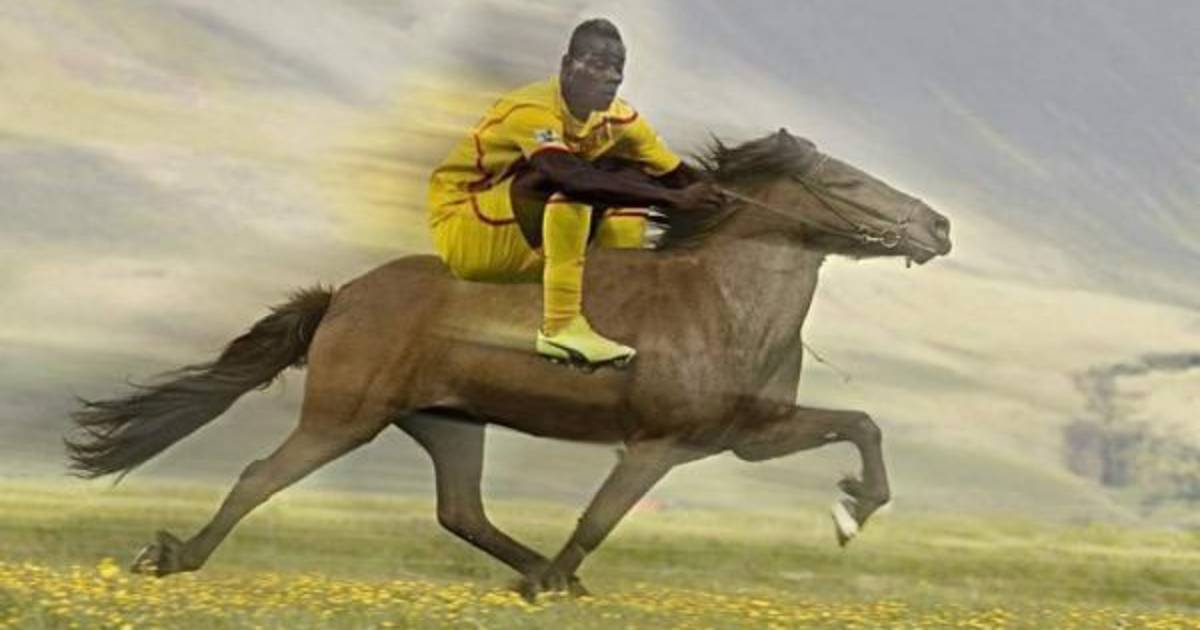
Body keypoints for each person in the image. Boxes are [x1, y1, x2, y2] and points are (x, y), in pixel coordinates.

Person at [428, 18, 722, 366]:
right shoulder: (531, 109)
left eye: (618, 67)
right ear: (567, 66)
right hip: (465, 227)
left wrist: (737, 198)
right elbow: (568, 177)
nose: (612, 77)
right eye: (599, 65)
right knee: (572, 180)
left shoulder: (621, 120)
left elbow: (678, 176)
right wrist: (673, 199)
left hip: (527, 232)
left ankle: (615, 298)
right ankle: (560, 328)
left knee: (629, 176)